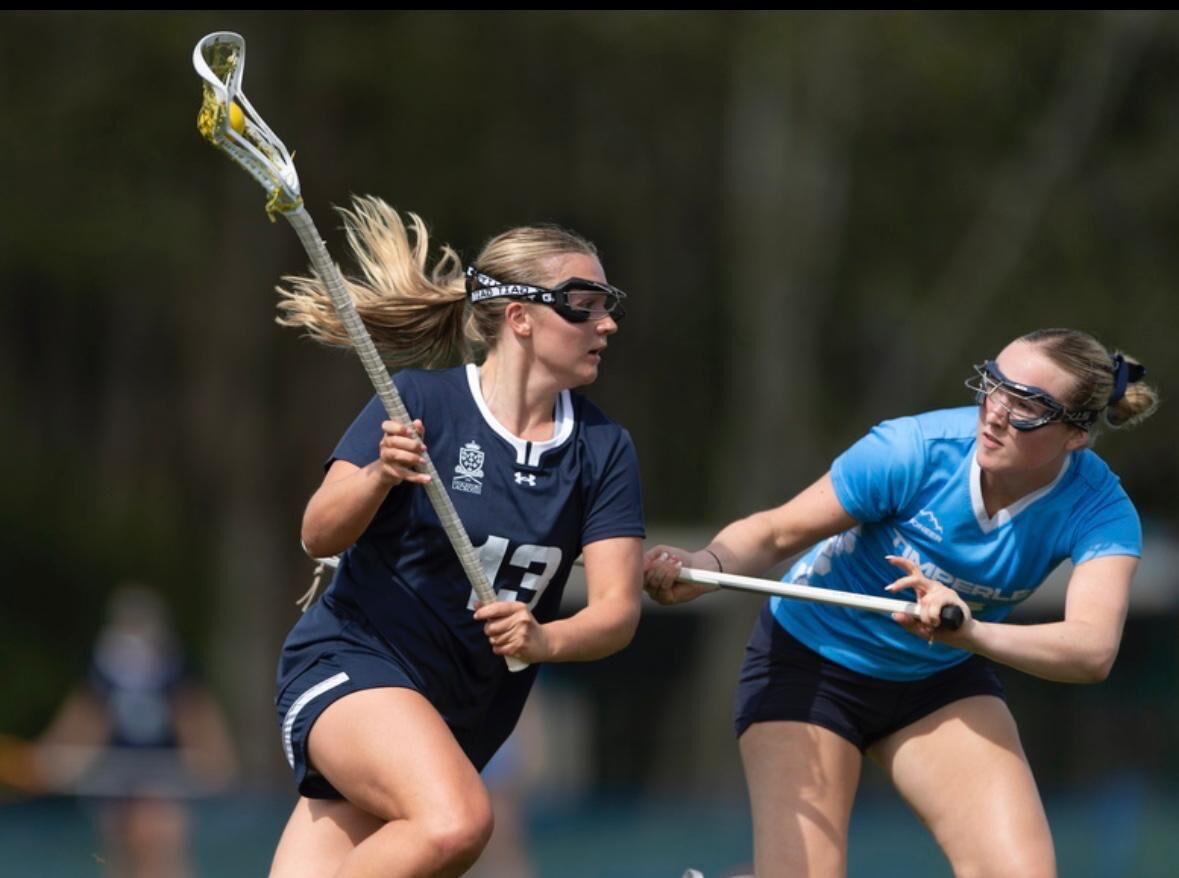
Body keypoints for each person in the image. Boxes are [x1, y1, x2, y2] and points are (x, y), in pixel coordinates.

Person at [644, 328, 1159, 878]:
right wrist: (709, 564)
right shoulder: (914, 450)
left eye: (1028, 406)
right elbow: (774, 533)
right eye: (993, 386)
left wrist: (970, 634)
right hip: (809, 664)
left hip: (938, 683)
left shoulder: (1101, 510)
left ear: (1076, 435)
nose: (995, 413)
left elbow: (1091, 649)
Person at [268, 196, 645, 877]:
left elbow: (615, 613)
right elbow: (316, 532)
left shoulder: (602, 450)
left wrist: (545, 639)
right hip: (353, 665)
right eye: (583, 304)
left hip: (462, 714)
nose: (606, 323)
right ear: (520, 317)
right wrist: (380, 473)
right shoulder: (423, 401)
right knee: (456, 822)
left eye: (606, 305)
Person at [6, 583, 237, 878]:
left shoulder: (174, 666)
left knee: (160, 840)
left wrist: (213, 758)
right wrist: (51, 758)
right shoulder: (104, 667)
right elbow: (85, 720)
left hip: (162, 773)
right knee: (120, 851)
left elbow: (196, 715)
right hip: (116, 775)